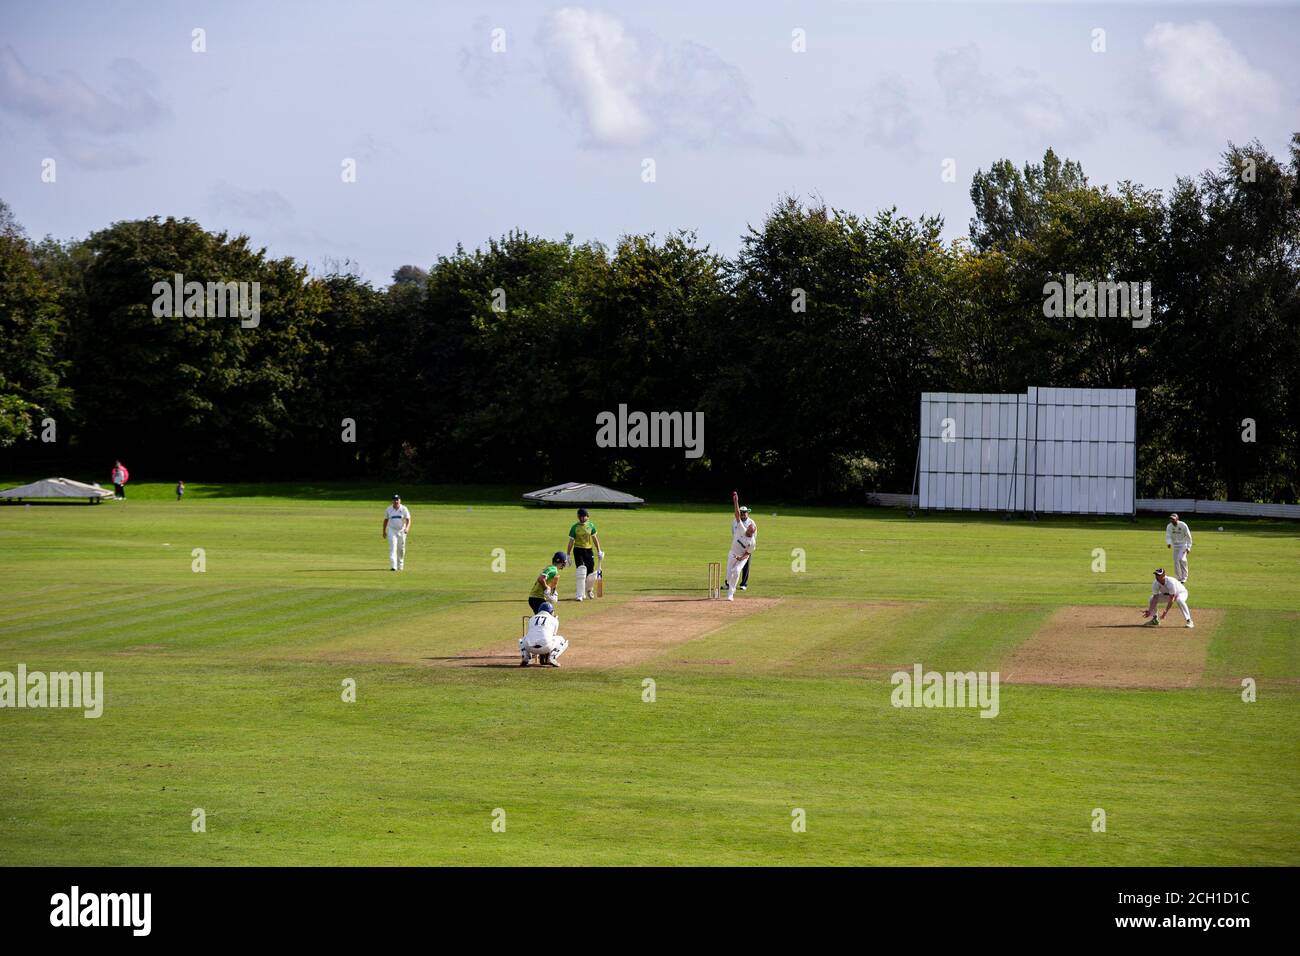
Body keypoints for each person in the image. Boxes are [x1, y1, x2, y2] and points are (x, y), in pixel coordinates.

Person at [565, 507, 605, 601]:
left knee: (590, 572)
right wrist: (568, 554)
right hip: (578, 550)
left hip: (588, 550)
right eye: (581, 517)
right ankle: (580, 594)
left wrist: (599, 551)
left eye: (584, 517)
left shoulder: (591, 525)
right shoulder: (575, 527)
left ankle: (589, 590)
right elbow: (571, 541)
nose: (582, 519)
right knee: (581, 570)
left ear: (587, 516)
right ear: (578, 517)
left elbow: (595, 539)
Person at [724, 490, 757, 602]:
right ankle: (729, 583)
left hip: (743, 557)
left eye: (751, 532)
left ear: (753, 532)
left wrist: (741, 558)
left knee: (737, 571)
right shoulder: (741, 528)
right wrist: (736, 501)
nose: (749, 533)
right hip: (733, 553)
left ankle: (730, 594)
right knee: (729, 576)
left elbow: (748, 553)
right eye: (748, 531)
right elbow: (737, 514)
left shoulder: (752, 542)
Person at [519, 601, 568, 668]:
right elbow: (553, 635)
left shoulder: (532, 618)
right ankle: (552, 657)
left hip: (529, 647)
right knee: (562, 640)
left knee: (522, 640)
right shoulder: (554, 619)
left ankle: (526, 657)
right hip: (546, 647)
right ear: (551, 611)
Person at [381, 494, 411, 571]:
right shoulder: (388, 509)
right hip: (392, 530)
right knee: (393, 547)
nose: (396, 501)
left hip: (402, 530)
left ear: (400, 500)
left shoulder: (404, 509)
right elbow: (385, 520)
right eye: (394, 500)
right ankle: (393, 566)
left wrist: (407, 528)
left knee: (401, 549)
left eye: (397, 500)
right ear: (392, 501)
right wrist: (384, 531)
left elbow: (408, 519)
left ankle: (400, 565)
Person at [1164, 512, 1193, 583]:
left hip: (1183, 545)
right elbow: (1168, 535)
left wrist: (1189, 547)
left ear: (1177, 519)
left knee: (1182, 559)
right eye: (1171, 519)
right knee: (1176, 562)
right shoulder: (1169, 526)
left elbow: (1189, 536)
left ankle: (1184, 577)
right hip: (1175, 546)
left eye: (1173, 519)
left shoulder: (1183, 525)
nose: (1172, 521)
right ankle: (1178, 578)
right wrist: (1169, 543)